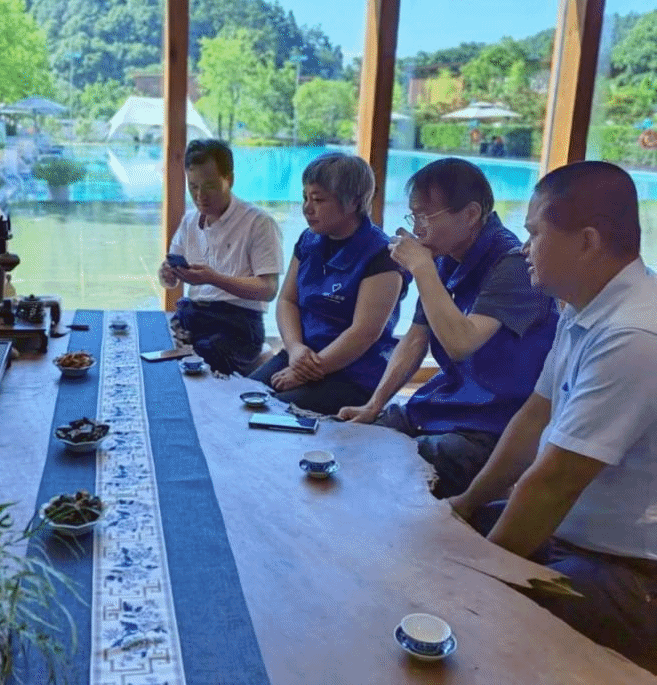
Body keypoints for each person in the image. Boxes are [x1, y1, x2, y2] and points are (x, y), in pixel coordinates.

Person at [449, 161, 657, 671]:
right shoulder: (582, 305)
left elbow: (554, 481)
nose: (525, 248)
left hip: (628, 569)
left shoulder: (633, 334)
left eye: (536, 233)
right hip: (570, 535)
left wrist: (479, 581)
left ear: (587, 242)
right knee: (440, 539)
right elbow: (534, 416)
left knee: (486, 621)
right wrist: (467, 503)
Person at [338, 157, 558, 498]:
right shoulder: (444, 258)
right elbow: (416, 338)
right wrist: (374, 404)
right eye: (414, 216)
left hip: (491, 423)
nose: (418, 228)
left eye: (426, 216)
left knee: (392, 467)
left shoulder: (513, 265)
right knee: (350, 442)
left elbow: (461, 343)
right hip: (444, 405)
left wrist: (422, 268)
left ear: (470, 215)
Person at [249, 153, 408, 413]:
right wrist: (294, 348)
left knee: (276, 411)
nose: (307, 208)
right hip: (303, 356)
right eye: (305, 197)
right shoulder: (309, 240)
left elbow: (364, 333)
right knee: (242, 397)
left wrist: (307, 371)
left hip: (353, 372)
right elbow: (287, 300)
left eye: (318, 200)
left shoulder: (381, 254)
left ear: (354, 202)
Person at [158, 139, 283, 375]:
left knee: (200, 358)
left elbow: (268, 289)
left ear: (230, 180)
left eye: (210, 186)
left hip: (239, 323)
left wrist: (214, 279)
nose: (200, 196)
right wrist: (167, 274)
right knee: (154, 339)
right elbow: (169, 280)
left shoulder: (258, 223)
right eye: (193, 187)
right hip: (195, 314)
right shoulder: (189, 221)